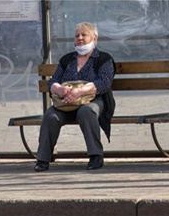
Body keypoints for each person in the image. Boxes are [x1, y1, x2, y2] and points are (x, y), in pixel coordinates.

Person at [34, 22, 115, 172]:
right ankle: (42, 159)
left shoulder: (103, 59)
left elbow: (103, 83)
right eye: (77, 35)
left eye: (84, 35)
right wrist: (58, 89)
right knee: (51, 115)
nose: (80, 38)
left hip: (93, 100)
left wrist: (79, 91)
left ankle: (96, 156)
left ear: (94, 39)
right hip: (66, 103)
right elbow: (53, 81)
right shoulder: (67, 59)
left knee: (86, 111)